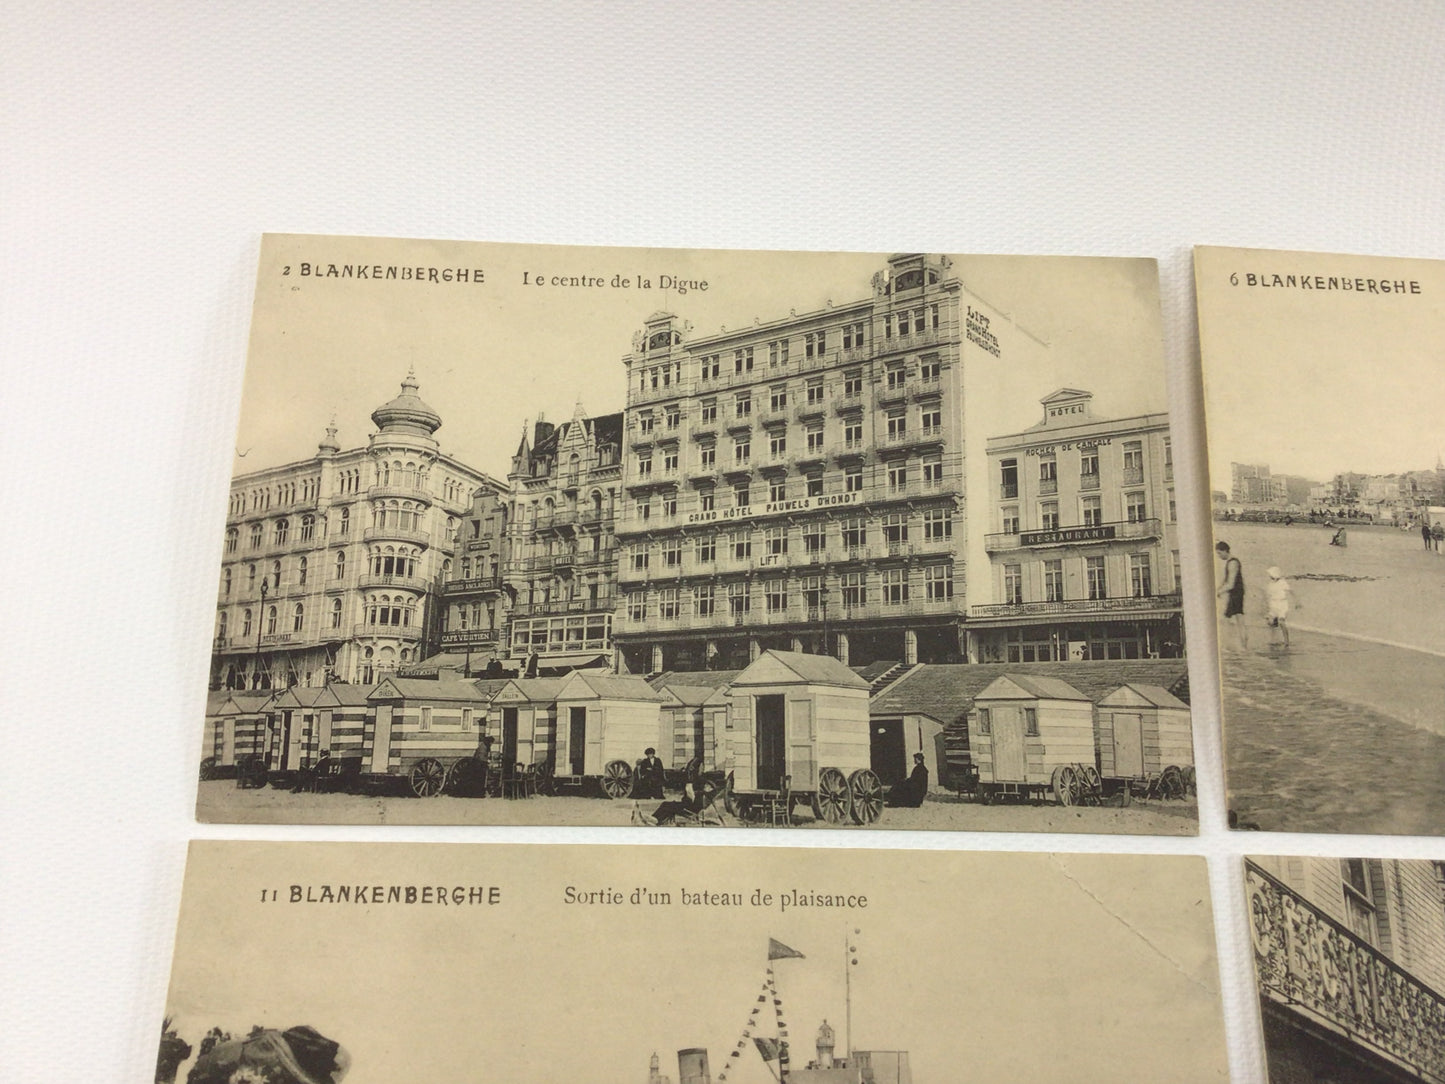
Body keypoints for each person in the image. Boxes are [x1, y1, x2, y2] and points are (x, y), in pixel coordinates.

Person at [1215, 541, 1247, 651]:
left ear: (1225, 551)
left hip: (1235, 594)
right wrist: (1219, 588)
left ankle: (1226, 647)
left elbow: (1231, 583)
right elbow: (1226, 581)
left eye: (1219, 553)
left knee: (1227, 620)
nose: (1219, 556)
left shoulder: (1232, 563)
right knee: (1239, 620)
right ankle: (1243, 647)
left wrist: (1219, 592)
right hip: (1237, 593)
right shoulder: (1231, 562)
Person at [1264, 566, 1296, 648]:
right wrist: (1267, 606)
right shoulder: (1270, 584)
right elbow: (1268, 595)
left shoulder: (1283, 582)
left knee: (1281, 622)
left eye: (1271, 574)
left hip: (1282, 603)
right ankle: (1274, 639)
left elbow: (1291, 592)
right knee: (1271, 622)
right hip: (1273, 604)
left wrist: (1297, 602)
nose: (1270, 576)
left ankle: (1286, 641)